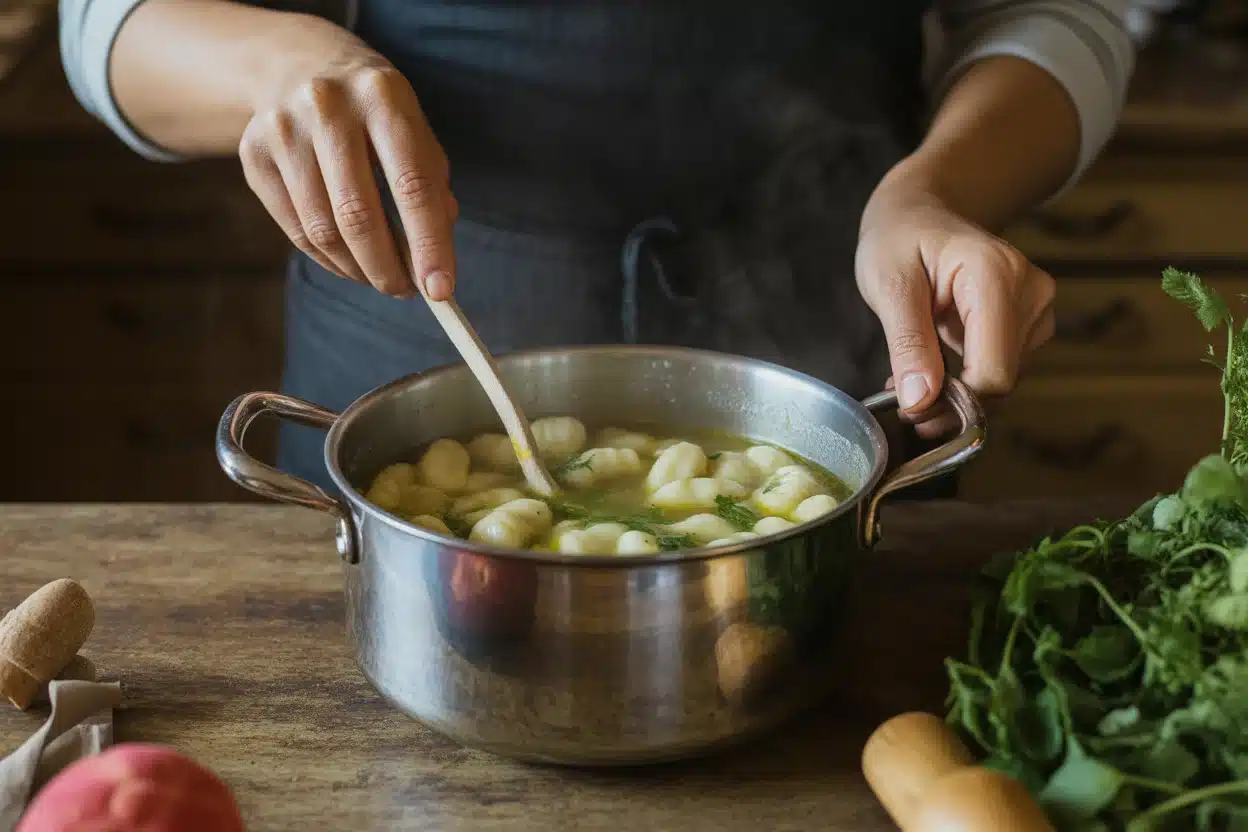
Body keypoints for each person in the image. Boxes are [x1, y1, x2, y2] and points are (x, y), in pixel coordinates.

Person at [61, 0, 1133, 492]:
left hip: (843, 368)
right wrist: (278, 65)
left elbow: (1062, 13)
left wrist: (937, 192)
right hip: (408, 350)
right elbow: (103, 20)